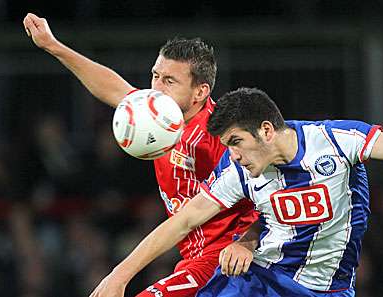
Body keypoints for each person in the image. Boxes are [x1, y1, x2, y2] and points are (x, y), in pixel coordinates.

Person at [84, 87, 383, 297]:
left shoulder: (338, 140)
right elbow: (184, 220)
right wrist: (120, 276)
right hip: (261, 280)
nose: (231, 155)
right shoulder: (241, 170)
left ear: (266, 131)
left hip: (328, 288)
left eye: (235, 142)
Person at [22, 13, 259, 297]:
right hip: (195, 257)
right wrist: (52, 45)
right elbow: (114, 88)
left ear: (200, 92)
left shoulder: (218, 135)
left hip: (227, 260)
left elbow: (274, 187)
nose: (156, 88)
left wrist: (248, 241)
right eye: (155, 76)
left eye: (169, 81)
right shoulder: (158, 115)